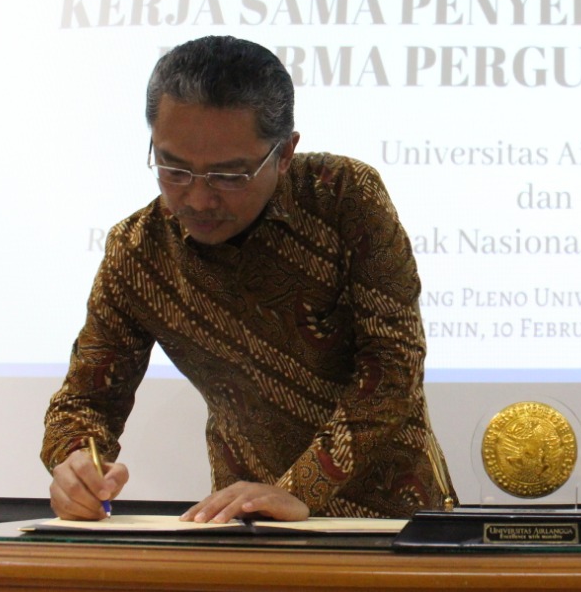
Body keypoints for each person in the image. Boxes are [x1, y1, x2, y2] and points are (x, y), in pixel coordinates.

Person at [43, 35, 450, 522]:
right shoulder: (138, 250)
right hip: (244, 529)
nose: (197, 199)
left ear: (284, 154)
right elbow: (84, 402)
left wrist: (302, 487)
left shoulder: (344, 199)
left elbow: (392, 370)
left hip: (389, 524)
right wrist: (76, 465)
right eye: (174, 169)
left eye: (229, 176)